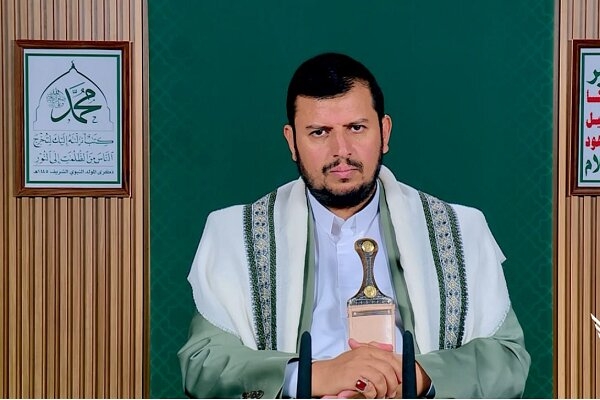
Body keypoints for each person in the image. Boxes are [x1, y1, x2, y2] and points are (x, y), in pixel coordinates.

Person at [178, 52, 530, 398]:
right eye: (319, 132)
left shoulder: (460, 230)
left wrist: (416, 376)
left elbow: (507, 359)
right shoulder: (234, 235)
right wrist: (313, 376)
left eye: (356, 128)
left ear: (384, 132)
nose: (341, 150)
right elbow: (204, 362)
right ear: (292, 141)